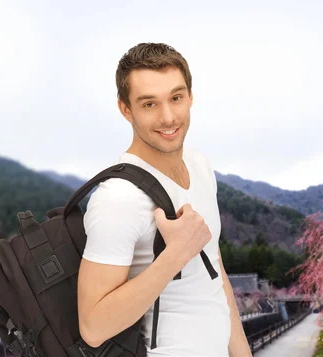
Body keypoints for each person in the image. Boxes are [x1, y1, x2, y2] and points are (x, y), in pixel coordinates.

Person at [77, 42, 252, 357]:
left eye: (176, 98)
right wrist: (176, 255)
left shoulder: (199, 165)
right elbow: (93, 327)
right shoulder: (118, 198)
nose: (168, 117)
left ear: (190, 96)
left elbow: (215, 272)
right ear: (125, 109)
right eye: (149, 104)